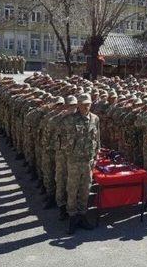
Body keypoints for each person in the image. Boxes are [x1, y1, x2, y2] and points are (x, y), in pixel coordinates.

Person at [64, 93, 100, 234]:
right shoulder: (70, 119)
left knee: (85, 189)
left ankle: (82, 215)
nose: (86, 106)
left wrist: (96, 155)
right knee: (72, 189)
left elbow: (97, 138)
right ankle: (72, 217)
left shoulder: (95, 119)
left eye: (88, 103)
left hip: (88, 161)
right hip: (74, 160)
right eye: (84, 103)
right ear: (78, 104)